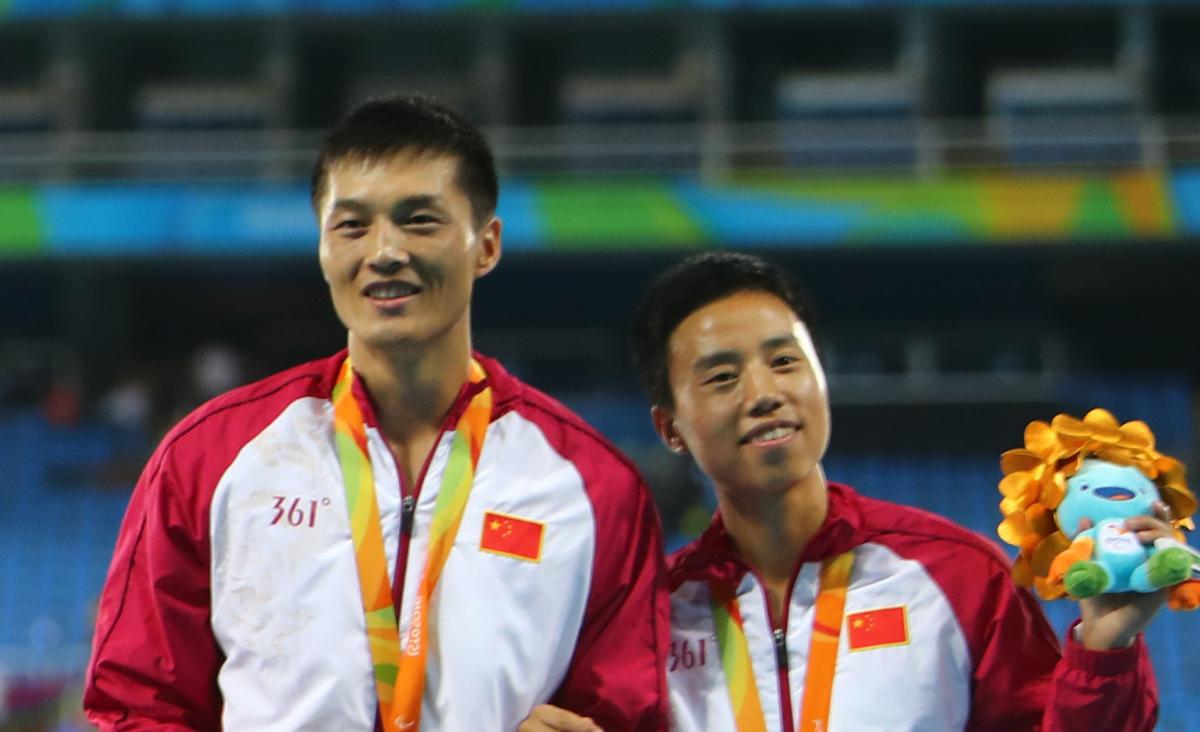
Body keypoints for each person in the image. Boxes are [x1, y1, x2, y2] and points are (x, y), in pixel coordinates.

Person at [84, 95, 669, 732]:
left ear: (487, 245)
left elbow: (627, 712)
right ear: (322, 248)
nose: (384, 251)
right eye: (352, 226)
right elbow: (138, 702)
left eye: (419, 220)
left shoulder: (591, 485)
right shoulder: (210, 457)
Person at [522, 251, 1170, 732]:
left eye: (784, 361)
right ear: (670, 428)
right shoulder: (645, 622)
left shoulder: (960, 578)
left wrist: (1106, 651)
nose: (764, 393)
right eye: (722, 377)